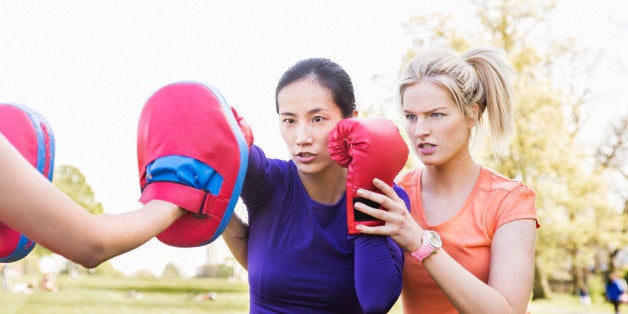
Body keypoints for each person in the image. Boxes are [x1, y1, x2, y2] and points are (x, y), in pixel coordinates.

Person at [353, 47, 539, 313]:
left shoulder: (510, 200)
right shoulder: (395, 195)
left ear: (471, 115)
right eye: (411, 117)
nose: (421, 130)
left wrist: (421, 243)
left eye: (436, 115)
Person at [222, 57, 410, 313]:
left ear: (351, 122)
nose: (302, 138)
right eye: (289, 121)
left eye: (318, 119)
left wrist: (363, 194)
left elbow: (376, 300)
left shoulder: (387, 199)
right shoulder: (269, 181)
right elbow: (227, 144)